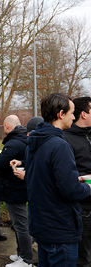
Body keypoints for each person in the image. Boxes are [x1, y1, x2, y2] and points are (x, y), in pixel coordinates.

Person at [17, 93, 91, 266]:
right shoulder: (59, 145)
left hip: (42, 227)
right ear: (61, 114)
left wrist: (77, 179)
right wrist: (88, 186)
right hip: (60, 230)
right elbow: (70, 191)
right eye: (72, 112)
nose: (74, 116)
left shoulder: (36, 142)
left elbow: (45, 179)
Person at [0, 115, 33, 267]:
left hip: (14, 189)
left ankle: (26, 260)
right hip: (18, 187)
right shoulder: (23, 139)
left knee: (21, 224)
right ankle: (21, 254)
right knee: (19, 224)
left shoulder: (14, 143)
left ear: (7, 127)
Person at [63, 97, 91, 267]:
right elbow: (67, 176)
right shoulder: (66, 139)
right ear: (83, 115)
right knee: (84, 258)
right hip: (83, 208)